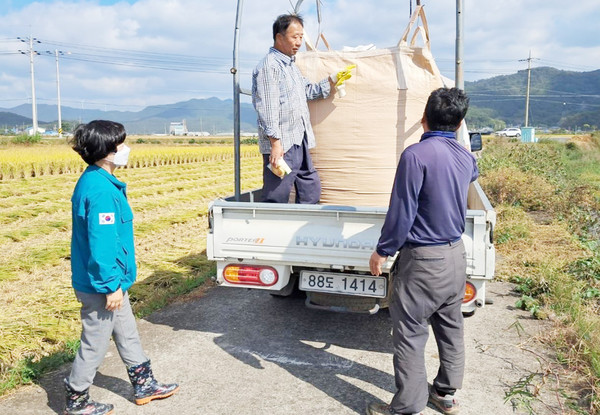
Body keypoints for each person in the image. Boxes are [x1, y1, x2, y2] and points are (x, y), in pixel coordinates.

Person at [367, 88, 478, 415]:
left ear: (423, 119)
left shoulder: (415, 156)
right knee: (451, 327)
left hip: (423, 261)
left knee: (411, 334)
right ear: (459, 124)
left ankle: (407, 406)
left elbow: (402, 212)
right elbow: (469, 174)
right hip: (455, 256)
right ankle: (445, 394)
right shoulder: (466, 158)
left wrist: (382, 252)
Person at [64, 120, 179, 415]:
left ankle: (145, 385)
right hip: (102, 284)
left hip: (111, 281)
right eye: (120, 144)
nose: (125, 149)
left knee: (127, 333)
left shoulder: (98, 179)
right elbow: (102, 246)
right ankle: (77, 399)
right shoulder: (101, 191)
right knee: (95, 342)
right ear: (106, 151)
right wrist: (111, 286)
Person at [252, 13, 336, 204]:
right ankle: (273, 230)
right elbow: (267, 108)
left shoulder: (290, 66)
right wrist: (275, 143)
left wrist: (331, 81)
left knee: (310, 185)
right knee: (278, 192)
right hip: (283, 142)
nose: (298, 42)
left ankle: (306, 228)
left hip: (299, 137)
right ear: (279, 37)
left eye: (300, 37)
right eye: (294, 37)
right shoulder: (269, 67)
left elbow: (307, 91)